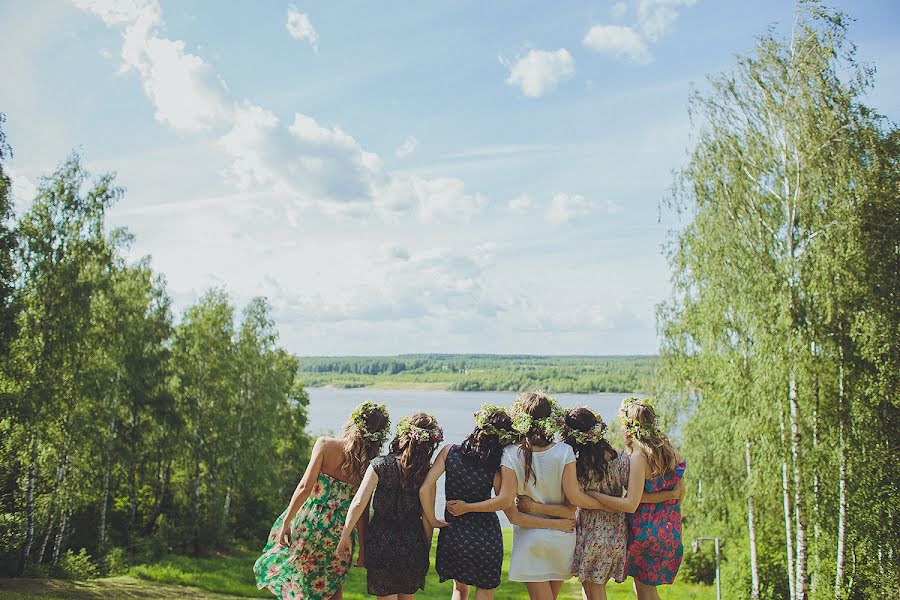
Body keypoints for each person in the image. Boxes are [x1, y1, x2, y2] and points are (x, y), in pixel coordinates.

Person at [517, 407, 681, 600]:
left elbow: (576, 498)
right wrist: (667, 494)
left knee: (593, 592)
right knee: (595, 590)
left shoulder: (577, 465)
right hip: (617, 532)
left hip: (592, 532)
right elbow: (636, 496)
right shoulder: (620, 458)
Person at [254, 401, 390, 600]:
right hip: (340, 533)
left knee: (303, 585)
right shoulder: (371, 464)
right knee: (332, 589)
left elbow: (304, 488)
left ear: (353, 421)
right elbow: (361, 509)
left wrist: (286, 522)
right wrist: (363, 547)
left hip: (309, 524)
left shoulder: (325, 445)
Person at [582, 397, 686, 600]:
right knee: (646, 589)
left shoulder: (640, 457)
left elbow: (631, 504)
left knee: (645, 592)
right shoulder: (671, 451)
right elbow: (679, 494)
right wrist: (667, 499)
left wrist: (594, 495)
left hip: (644, 531)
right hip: (671, 528)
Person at [338, 413, 444, 600]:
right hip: (412, 542)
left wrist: (345, 536)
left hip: (381, 542)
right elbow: (428, 516)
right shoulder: (426, 473)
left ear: (402, 436)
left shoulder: (379, 465)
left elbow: (358, 503)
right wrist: (425, 546)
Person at [419, 404, 517, 600]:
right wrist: (470, 507)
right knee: (486, 589)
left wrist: (432, 519)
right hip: (486, 535)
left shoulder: (449, 452)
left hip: (455, 532)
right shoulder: (495, 465)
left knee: (459, 590)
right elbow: (503, 501)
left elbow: (425, 487)